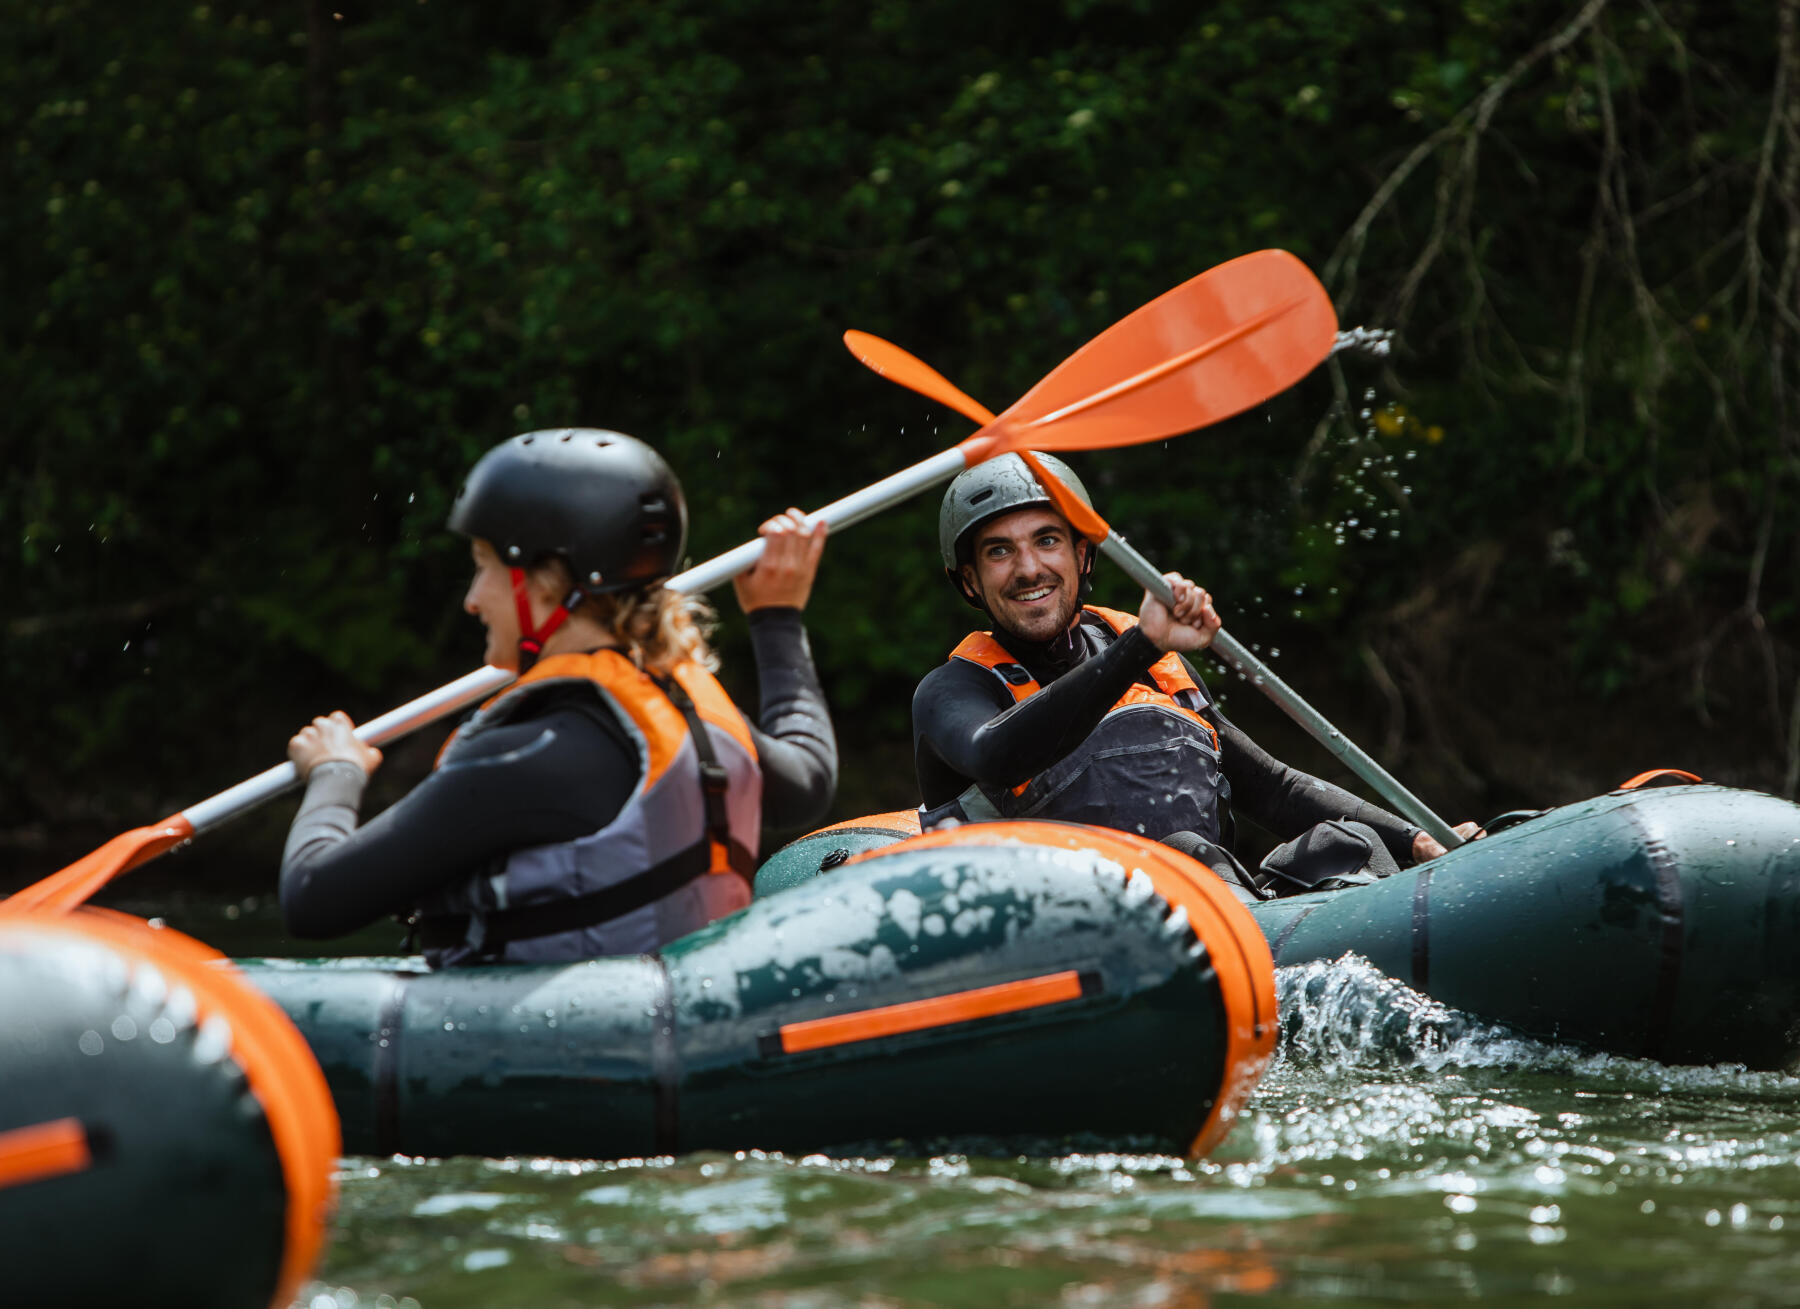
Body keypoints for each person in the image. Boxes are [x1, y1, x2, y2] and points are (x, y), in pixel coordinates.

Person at [278, 428, 837, 965]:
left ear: (546, 580)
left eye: (483, 568)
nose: (472, 600)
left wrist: (336, 771)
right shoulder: (688, 715)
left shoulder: (530, 754)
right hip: (691, 1024)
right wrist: (777, 615)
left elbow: (312, 896)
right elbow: (808, 778)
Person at [911, 453, 1480, 900]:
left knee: (1345, 846)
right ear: (968, 581)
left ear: (1083, 556)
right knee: (1187, 853)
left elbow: (1272, 788)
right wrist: (1141, 646)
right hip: (1060, 939)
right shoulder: (954, 690)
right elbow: (997, 756)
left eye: (1047, 540)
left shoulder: (1149, 664)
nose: (1029, 567)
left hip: (1207, 909)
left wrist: (1416, 840)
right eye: (999, 552)